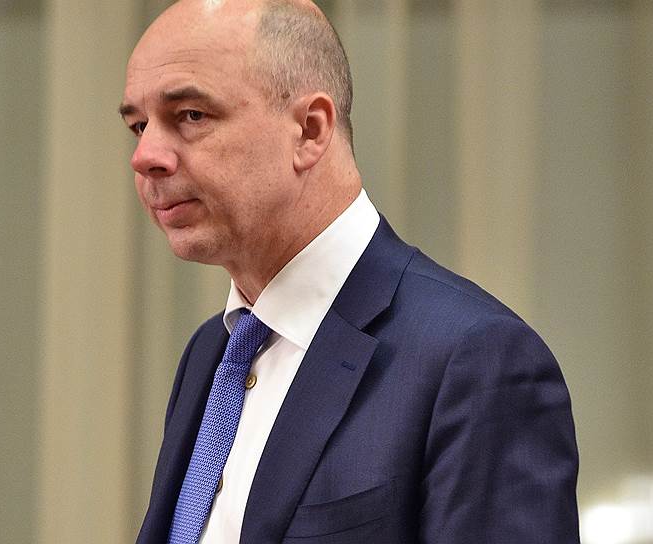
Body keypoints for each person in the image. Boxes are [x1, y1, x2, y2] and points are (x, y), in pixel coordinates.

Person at [119, 0, 579, 542]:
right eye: (139, 126)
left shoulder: (474, 360)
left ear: (310, 130)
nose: (145, 156)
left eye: (191, 115)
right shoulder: (211, 352)